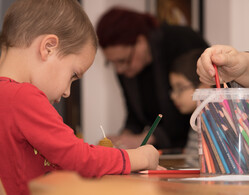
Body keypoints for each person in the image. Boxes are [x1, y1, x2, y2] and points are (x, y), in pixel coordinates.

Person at [0, 1, 161, 194]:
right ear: (48, 47)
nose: (67, 92)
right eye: (73, 75)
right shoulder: (24, 97)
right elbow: (77, 158)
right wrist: (139, 158)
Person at [96, 7, 209, 150]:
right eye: (112, 63)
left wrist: (145, 138)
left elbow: (198, 109)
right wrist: (123, 139)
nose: (119, 70)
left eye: (123, 61)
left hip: (193, 146)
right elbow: (134, 116)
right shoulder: (126, 67)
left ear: (141, 42)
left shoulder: (181, 41)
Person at [169, 49, 211, 167]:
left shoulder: (210, 121)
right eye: (172, 88)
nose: (173, 96)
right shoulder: (197, 118)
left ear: (205, 85)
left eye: (180, 88)